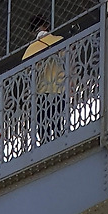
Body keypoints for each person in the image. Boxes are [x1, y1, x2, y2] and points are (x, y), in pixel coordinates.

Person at [24, 16, 65, 144]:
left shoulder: (54, 42)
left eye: (37, 27)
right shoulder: (37, 47)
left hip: (51, 90)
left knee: (50, 123)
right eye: (35, 29)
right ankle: (53, 142)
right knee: (50, 124)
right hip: (50, 90)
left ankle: (52, 142)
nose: (37, 31)